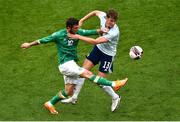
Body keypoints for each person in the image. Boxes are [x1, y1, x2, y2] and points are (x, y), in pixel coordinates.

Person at [21, 18, 128, 114]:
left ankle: (50, 103)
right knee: (87, 73)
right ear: (68, 28)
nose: (78, 29)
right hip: (65, 65)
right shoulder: (58, 35)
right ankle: (114, 84)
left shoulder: (77, 32)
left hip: (71, 64)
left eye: (78, 27)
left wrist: (101, 31)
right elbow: (42, 40)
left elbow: (90, 32)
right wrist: (29, 44)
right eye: (75, 28)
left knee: (68, 91)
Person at [61, 10, 123, 112]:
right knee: (82, 72)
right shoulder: (103, 16)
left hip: (108, 55)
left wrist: (77, 36)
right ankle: (74, 98)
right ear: (106, 18)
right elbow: (95, 12)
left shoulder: (114, 32)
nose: (112, 23)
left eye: (114, 21)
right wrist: (82, 20)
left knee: (100, 81)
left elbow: (95, 41)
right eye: (110, 20)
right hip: (98, 49)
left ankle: (115, 97)